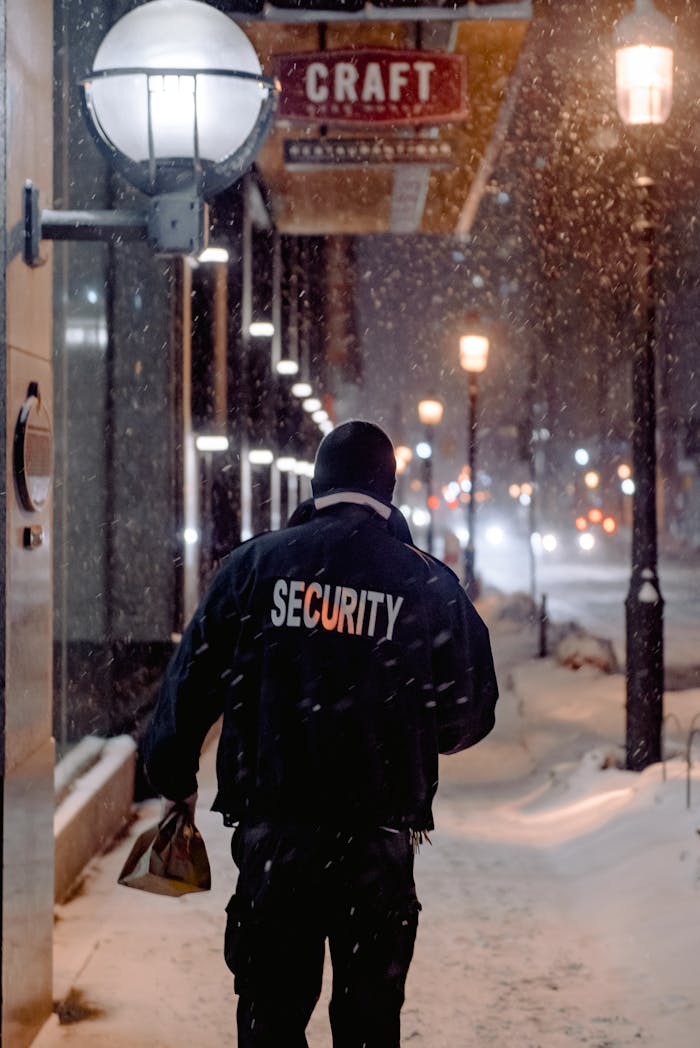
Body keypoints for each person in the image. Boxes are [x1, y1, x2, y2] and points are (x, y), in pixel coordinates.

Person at [143, 419, 499, 1048]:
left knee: (271, 1014)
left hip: (276, 837)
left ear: (318, 483)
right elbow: (468, 712)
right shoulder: (426, 583)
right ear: (388, 489)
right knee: (368, 1021)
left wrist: (174, 778)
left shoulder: (254, 567)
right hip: (379, 844)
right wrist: (414, 729)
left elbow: (189, 682)